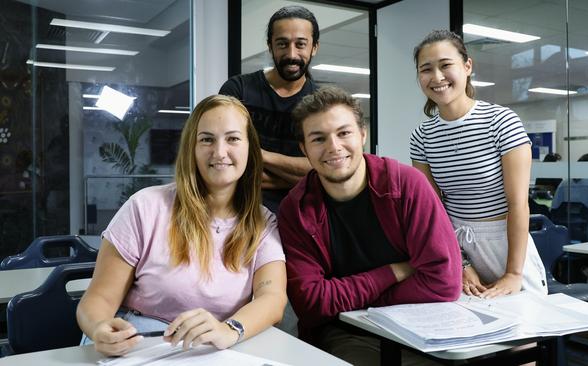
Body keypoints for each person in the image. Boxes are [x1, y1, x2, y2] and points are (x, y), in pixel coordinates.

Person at [76, 95, 287, 356]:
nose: (220, 152)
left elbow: (273, 298)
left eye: (232, 138)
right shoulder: (144, 207)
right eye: (207, 139)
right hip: (138, 346)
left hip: (213, 352)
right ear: (192, 148)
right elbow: (98, 299)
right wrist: (99, 328)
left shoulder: (263, 222)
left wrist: (230, 330)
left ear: (250, 150)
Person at [278, 86, 461, 365]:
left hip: (420, 326)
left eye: (344, 133)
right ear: (304, 148)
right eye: (318, 138)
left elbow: (444, 282)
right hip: (346, 334)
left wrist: (350, 300)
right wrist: (394, 271)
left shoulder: (407, 186)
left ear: (362, 134)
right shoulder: (296, 209)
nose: (334, 147)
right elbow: (311, 303)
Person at [409, 30, 547, 299]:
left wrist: (513, 274)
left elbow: (518, 204)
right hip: (455, 245)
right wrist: (461, 263)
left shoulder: (501, 121)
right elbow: (434, 210)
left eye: (445, 65)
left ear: (467, 66)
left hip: (507, 245)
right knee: (467, 332)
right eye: (426, 69)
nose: (436, 77)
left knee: (523, 337)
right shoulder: (422, 137)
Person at [220, 5, 319, 212]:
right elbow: (225, 162)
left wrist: (258, 154)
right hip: (239, 213)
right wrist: (297, 175)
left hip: (298, 217)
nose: (291, 54)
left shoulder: (320, 103)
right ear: (270, 46)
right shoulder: (238, 90)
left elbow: (322, 169)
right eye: (282, 44)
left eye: (301, 44)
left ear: (314, 47)